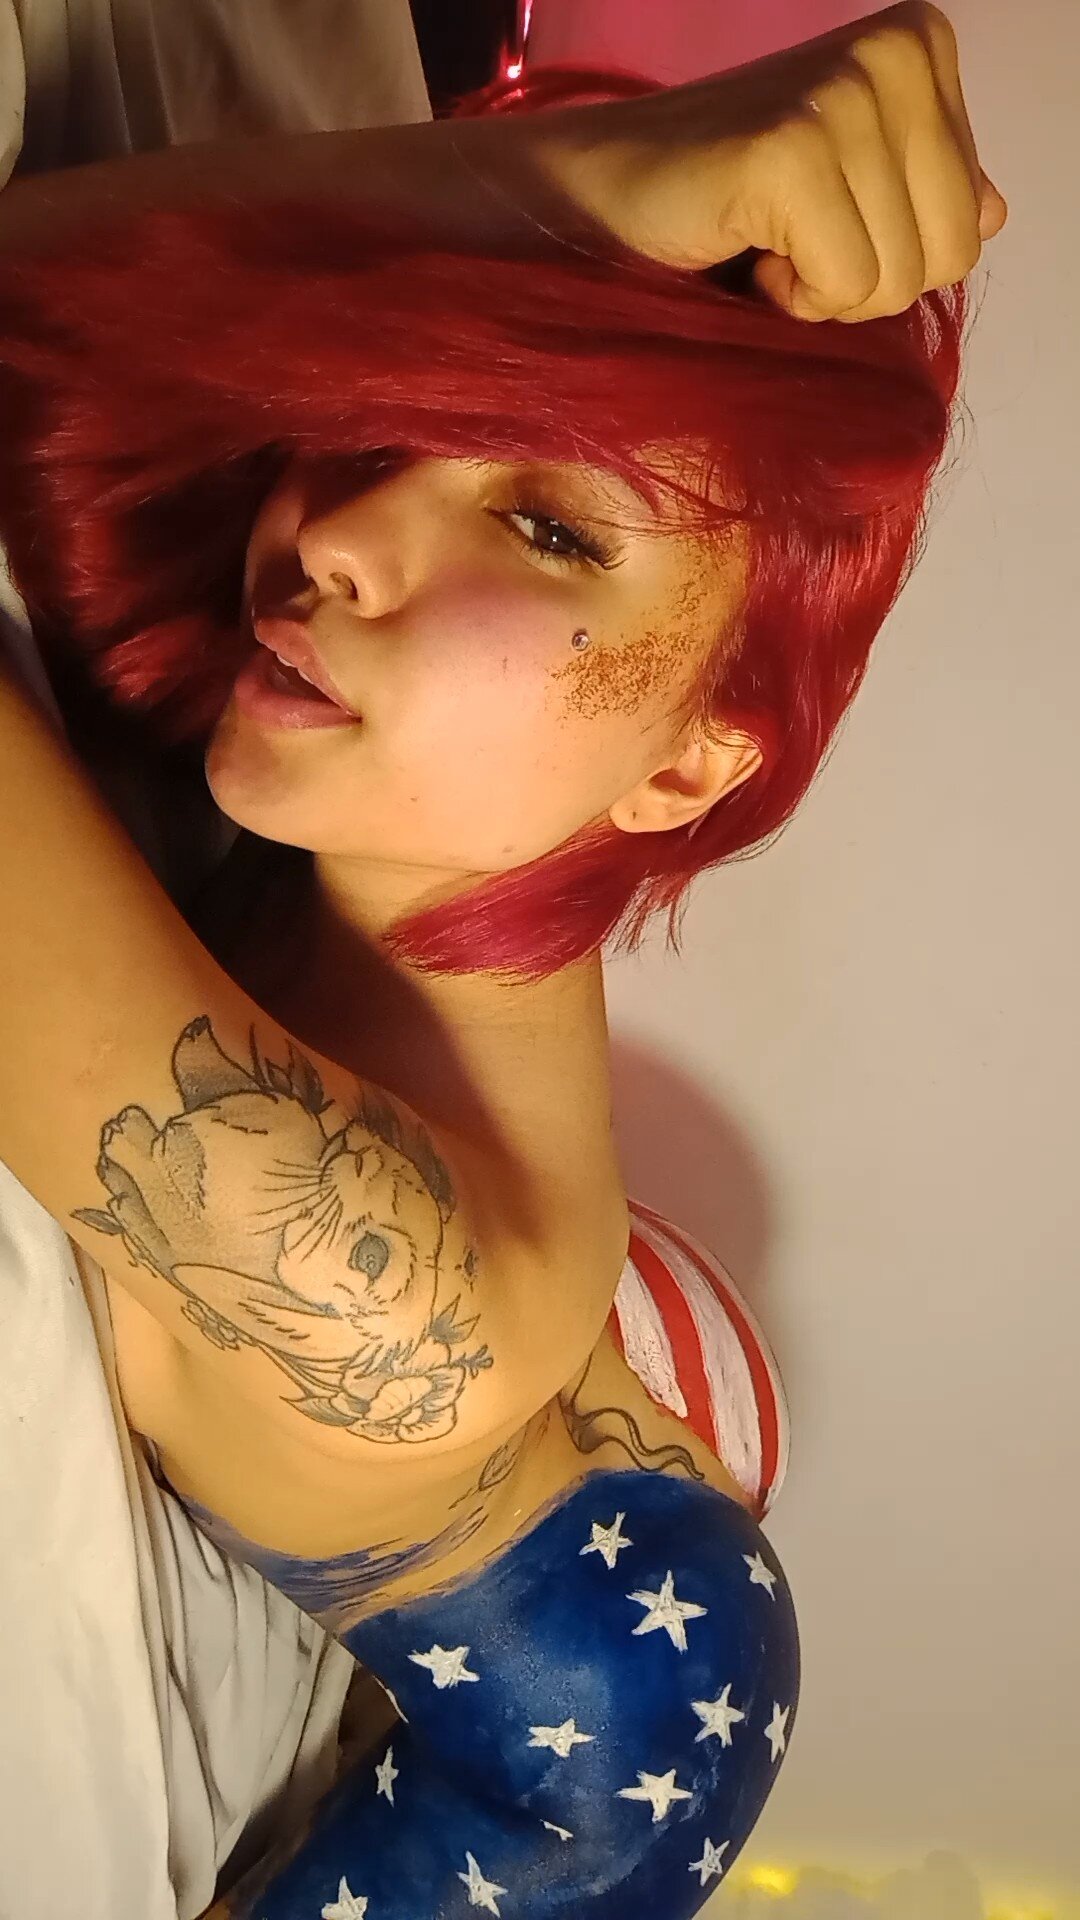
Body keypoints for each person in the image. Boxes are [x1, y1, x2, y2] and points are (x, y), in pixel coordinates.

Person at [0, 6, 1006, 1915]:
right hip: (654, 1401)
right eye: (381, 423)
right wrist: (529, 195)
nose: (338, 533)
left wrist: (484, 179)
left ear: (687, 766)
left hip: (615, 1722)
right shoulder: (380, 833)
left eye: (546, 526)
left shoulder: (370, 1290)